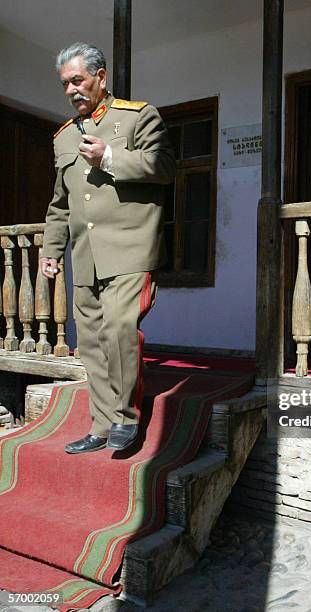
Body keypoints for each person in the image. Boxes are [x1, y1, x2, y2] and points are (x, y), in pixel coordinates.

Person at [41, 42, 176, 454]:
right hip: (85, 256)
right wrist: (51, 249)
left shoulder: (138, 116)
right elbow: (60, 203)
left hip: (131, 247)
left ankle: (126, 417)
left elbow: (165, 167)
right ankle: (100, 426)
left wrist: (111, 156)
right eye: (65, 83)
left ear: (100, 77)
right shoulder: (63, 138)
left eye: (78, 80)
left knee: (119, 330)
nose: (71, 90)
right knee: (92, 342)